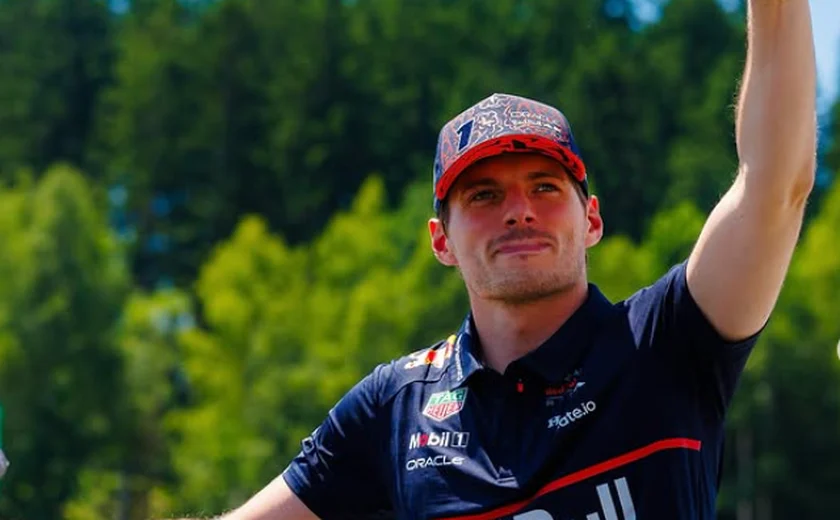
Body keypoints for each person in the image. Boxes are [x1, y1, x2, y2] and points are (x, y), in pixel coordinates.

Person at [178, 0, 817, 518]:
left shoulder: (666, 342)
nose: (519, 211)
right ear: (441, 241)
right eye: (484, 195)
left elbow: (776, 187)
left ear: (591, 220)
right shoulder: (396, 405)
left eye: (545, 187)